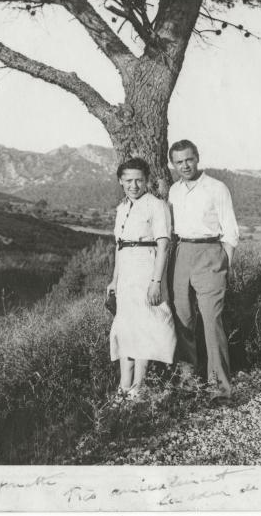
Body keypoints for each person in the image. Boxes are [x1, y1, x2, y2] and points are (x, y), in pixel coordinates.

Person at [168, 139, 239, 402]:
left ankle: (220, 388)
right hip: (182, 253)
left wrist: (223, 264)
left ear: (197, 158)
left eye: (189, 159)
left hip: (210, 254)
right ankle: (188, 383)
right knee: (183, 319)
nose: (185, 165)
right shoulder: (174, 191)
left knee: (212, 322)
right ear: (173, 165)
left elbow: (230, 232)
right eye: (179, 162)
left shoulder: (216, 188)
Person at [107, 157, 176, 399]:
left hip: (147, 268)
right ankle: (124, 386)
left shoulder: (157, 205)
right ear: (120, 181)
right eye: (128, 180)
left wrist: (156, 281)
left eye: (139, 180)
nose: (133, 185)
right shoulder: (122, 208)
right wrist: (114, 280)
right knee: (126, 326)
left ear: (146, 180)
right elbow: (119, 246)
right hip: (126, 273)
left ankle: (139, 386)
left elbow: (164, 245)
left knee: (146, 325)